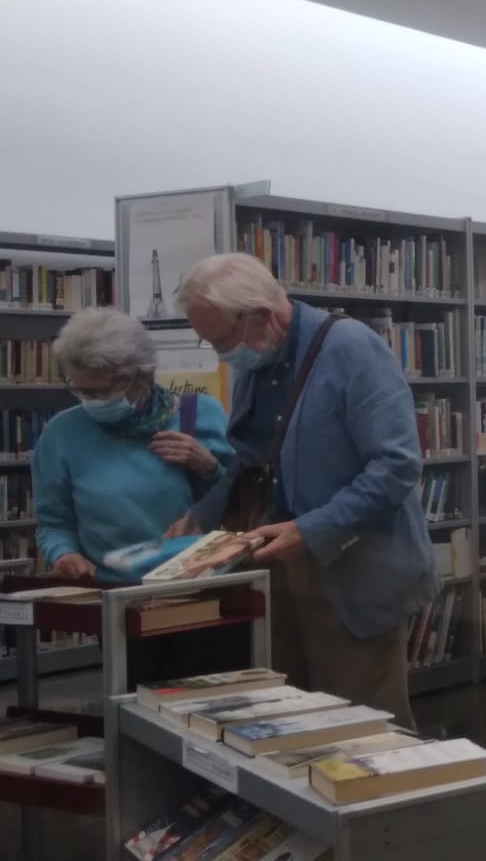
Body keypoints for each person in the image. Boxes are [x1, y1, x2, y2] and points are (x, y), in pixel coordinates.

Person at [177, 253, 433, 726]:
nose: (220, 354)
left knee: (364, 730)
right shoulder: (259, 356)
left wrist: (310, 530)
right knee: (291, 723)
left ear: (260, 315)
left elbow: (396, 467)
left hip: (352, 573)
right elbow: (249, 458)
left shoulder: (353, 350)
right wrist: (204, 513)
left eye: (221, 340)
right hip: (280, 567)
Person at [32, 309, 235, 581]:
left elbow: (241, 502)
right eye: (81, 390)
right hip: (108, 590)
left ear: (145, 377)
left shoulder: (199, 414)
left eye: (104, 390)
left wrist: (208, 466)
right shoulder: (61, 434)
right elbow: (53, 522)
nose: (93, 401)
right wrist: (63, 553)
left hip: (194, 584)